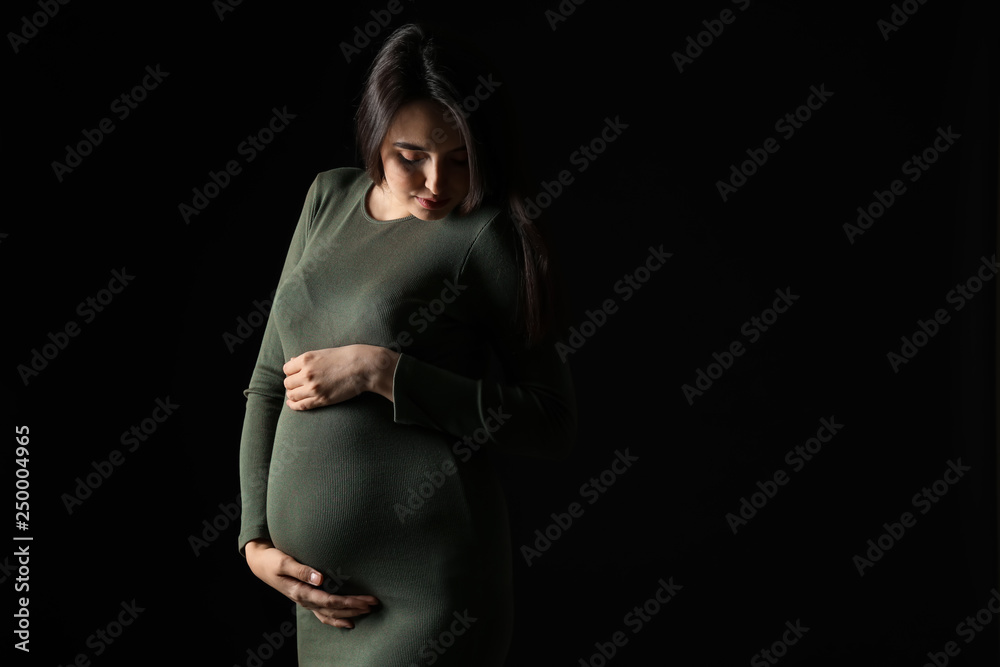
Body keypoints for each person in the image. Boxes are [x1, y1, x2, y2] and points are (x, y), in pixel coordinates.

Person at [237, 22, 577, 666]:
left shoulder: (485, 234)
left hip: (431, 596)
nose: (436, 183)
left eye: (459, 157)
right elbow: (265, 385)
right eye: (410, 155)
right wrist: (255, 544)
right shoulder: (327, 199)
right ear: (375, 137)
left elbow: (553, 423)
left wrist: (386, 372)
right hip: (322, 601)